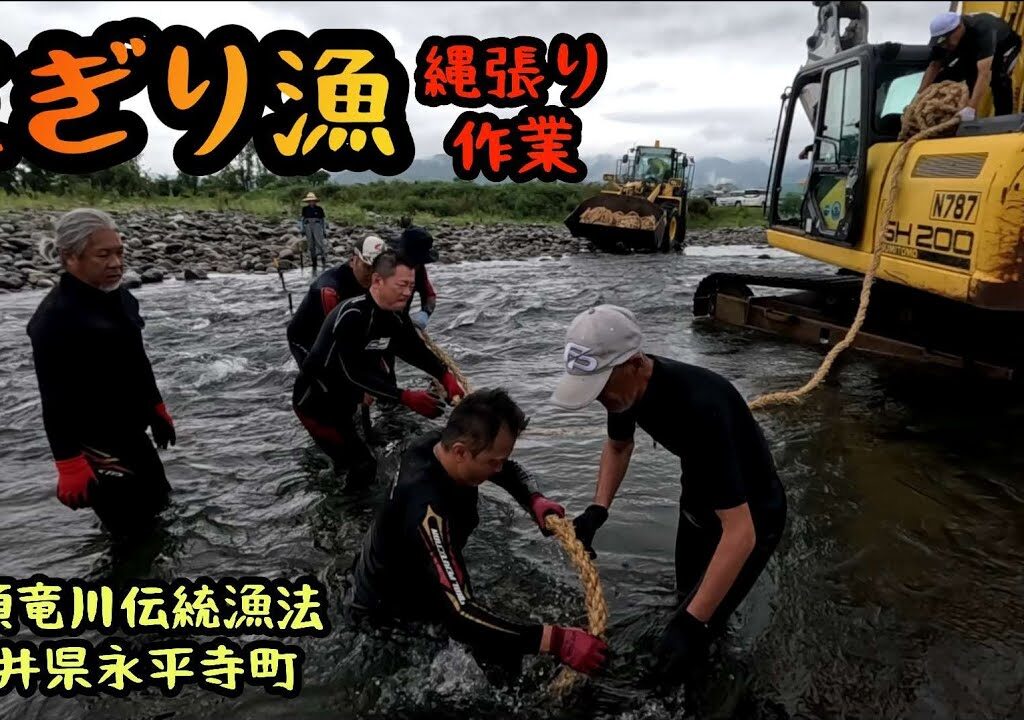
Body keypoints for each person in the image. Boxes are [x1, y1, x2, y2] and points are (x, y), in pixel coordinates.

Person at [548, 305, 787, 686]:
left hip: (754, 516)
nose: (598, 398)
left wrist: (692, 624)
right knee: (685, 598)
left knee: (702, 627)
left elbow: (740, 533)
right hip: (699, 501)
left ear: (634, 363)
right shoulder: (623, 392)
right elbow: (619, 446)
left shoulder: (699, 405)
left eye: (601, 388)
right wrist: (598, 509)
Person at [348, 387, 608, 680]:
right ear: (460, 452)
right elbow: (460, 613)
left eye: (501, 460)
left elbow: (507, 469)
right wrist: (556, 640)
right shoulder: (427, 510)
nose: (499, 469)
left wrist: (533, 498)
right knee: (494, 664)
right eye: (492, 462)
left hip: (402, 565)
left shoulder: (438, 445)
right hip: (384, 609)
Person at [26, 208, 176, 539]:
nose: (116, 263)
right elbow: (53, 398)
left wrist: (156, 407)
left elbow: (137, 359)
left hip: (131, 432)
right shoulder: (53, 320)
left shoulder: (119, 298)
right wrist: (67, 462)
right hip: (96, 445)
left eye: (119, 252)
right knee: (131, 534)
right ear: (70, 257)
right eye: (103, 255)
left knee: (162, 507)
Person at [292, 251, 466, 486]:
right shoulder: (352, 315)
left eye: (411, 286)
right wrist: (405, 397)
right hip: (316, 403)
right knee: (362, 466)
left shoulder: (395, 316)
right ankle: (334, 504)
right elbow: (350, 371)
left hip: (349, 397)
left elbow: (414, 350)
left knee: (367, 452)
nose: (408, 293)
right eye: (401, 285)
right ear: (377, 281)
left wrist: (444, 375)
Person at [286, 234, 387, 367]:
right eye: (368, 267)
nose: (373, 275)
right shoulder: (329, 290)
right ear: (353, 260)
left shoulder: (378, 280)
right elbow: (337, 338)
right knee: (322, 372)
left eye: (378, 269)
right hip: (306, 337)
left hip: (345, 323)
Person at [918, 10, 1022, 119]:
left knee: (998, 78)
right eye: (941, 42)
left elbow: (984, 73)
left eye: (946, 40)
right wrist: (919, 96)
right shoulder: (945, 41)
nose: (945, 45)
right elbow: (934, 66)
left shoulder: (983, 29)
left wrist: (971, 108)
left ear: (959, 28)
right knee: (943, 77)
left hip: (1004, 46)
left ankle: (1003, 119)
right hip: (972, 49)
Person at [391, 225, 438, 331]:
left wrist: (424, 314)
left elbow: (429, 296)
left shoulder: (419, 269)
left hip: (401, 319)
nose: (411, 268)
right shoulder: (381, 266)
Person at [300, 191, 329, 273]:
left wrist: (324, 230)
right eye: (309, 201)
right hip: (308, 226)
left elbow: (322, 220)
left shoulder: (319, 209)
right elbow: (302, 220)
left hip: (317, 225)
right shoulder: (305, 209)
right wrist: (302, 229)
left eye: (312, 201)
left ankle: (323, 259)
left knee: (319, 242)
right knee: (310, 244)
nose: (311, 202)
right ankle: (314, 261)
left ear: (315, 201)